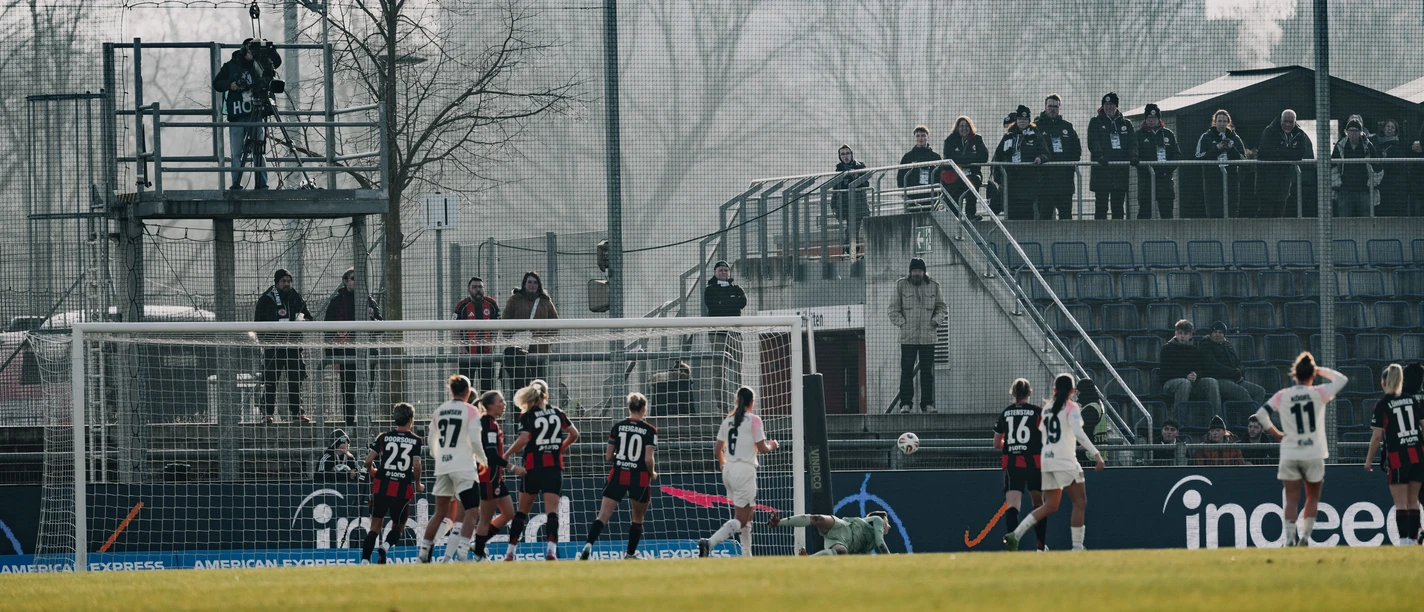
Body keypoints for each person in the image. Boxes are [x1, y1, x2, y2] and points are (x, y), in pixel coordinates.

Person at [1253, 352, 1348, 547]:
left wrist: (1275, 433)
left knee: (1290, 499)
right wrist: (1320, 370)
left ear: (1294, 375)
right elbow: (1342, 379)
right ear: (1311, 374)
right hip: (1313, 452)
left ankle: (1289, 538)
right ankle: (1305, 537)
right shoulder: (1318, 393)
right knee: (1312, 496)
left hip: (1290, 453)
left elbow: (1261, 414)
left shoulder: (1283, 395)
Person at [1004, 374, 1105, 551]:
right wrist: (1096, 454)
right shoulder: (1071, 407)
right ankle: (1077, 547)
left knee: (1050, 505)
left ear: (1054, 390)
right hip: (1066, 461)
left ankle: (1016, 534)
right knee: (1080, 502)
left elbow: (1043, 434)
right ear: (1072, 391)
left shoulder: (1047, 409)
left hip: (1048, 462)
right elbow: (1079, 433)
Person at [699, 386, 780, 558]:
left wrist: (723, 464)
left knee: (748, 513)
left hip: (729, 470)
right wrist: (772, 445)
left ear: (737, 401)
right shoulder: (754, 420)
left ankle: (746, 554)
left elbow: (717, 449)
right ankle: (709, 543)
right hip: (744, 470)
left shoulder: (727, 421)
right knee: (742, 518)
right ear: (751, 402)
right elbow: (762, 448)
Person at [503, 379, 579, 561]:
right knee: (552, 511)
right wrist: (562, 446)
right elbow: (575, 433)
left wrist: (506, 454)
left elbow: (523, 439)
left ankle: (510, 553)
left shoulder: (528, 415)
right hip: (553, 467)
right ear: (547, 395)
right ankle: (551, 550)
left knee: (522, 512)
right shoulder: (558, 413)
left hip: (533, 467)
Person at [417, 375, 489, 563]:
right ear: (467, 391)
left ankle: (423, 554)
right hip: (464, 466)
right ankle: (463, 554)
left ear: (451, 391)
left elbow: (431, 440)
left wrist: (439, 458)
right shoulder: (471, 410)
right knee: (472, 511)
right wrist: (483, 460)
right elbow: (475, 440)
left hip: (443, 466)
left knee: (440, 513)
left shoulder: (440, 410)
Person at [579, 392, 659, 561]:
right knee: (637, 518)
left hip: (618, 474)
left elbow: (608, 456)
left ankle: (588, 545)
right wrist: (652, 473)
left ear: (628, 407)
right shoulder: (650, 430)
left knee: (603, 515)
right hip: (639, 477)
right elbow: (647, 458)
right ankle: (630, 554)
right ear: (644, 409)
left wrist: (623, 460)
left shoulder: (618, 427)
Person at [1363, 364, 1424, 545]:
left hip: (1398, 457)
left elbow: (1376, 437)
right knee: (1413, 501)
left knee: (1400, 504)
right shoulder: (1413, 401)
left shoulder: (1382, 405)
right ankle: (1413, 539)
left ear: (1384, 382)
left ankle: (1404, 541)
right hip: (1418, 456)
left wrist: (1368, 461)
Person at [211, 38, 281, 190]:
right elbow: (217, 83)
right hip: (237, 114)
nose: (253, 54)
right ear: (244, 50)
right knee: (236, 152)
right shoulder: (230, 66)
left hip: (257, 113)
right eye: (251, 51)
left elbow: (276, 63)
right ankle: (236, 184)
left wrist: (270, 51)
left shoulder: (261, 64)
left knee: (259, 150)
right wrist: (231, 84)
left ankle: (262, 184)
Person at [360, 403, 424, 564]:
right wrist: (418, 484)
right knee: (398, 526)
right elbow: (416, 465)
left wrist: (371, 471)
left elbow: (368, 460)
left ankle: (365, 561)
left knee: (375, 526)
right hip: (402, 488)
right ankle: (385, 547)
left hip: (381, 485)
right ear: (411, 420)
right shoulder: (416, 440)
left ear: (395, 419)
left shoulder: (384, 437)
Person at [468, 390, 526, 561]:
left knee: (508, 514)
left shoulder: (492, 423)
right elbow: (490, 455)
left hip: (496, 477)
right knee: (485, 519)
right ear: (491, 406)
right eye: (500, 401)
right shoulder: (488, 424)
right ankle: (479, 554)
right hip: (488, 477)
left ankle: (478, 544)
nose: (504, 404)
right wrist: (512, 467)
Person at [323, 267, 383, 425]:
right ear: (346, 281)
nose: (358, 282)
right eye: (354, 278)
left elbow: (381, 325)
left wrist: (370, 322)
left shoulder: (369, 301)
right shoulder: (337, 303)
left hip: (367, 353)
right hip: (346, 354)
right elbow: (328, 331)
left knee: (367, 389)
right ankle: (349, 423)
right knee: (348, 390)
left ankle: (365, 421)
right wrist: (332, 357)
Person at [993, 378, 1047, 551]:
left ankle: (1012, 548)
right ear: (1029, 393)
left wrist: (1011, 446)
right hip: (1035, 464)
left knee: (1013, 505)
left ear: (1013, 393)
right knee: (1038, 504)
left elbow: (996, 444)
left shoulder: (1006, 413)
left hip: (1013, 463)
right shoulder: (1038, 412)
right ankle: (1040, 547)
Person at [887, 257, 947, 413]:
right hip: (908, 338)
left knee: (927, 372)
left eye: (919, 271)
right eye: (914, 271)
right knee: (906, 370)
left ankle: (927, 404)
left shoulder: (934, 286)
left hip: (928, 338)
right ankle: (905, 404)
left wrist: (935, 322)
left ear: (923, 272)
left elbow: (942, 308)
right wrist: (903, 324)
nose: (916, 274)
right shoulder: (901, 285)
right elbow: (893, 309)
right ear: (910, 272)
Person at [254, 268, 313, 423]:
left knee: (295, 380)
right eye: (283, 281)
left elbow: (308, 316)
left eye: (288, 281)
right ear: (277, 282)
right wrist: (266, 342)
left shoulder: (295, 297)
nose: (287, 284)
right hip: (273, 348)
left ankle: (297, 413)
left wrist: (303, 321)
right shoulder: (267, 298)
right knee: (270, 381)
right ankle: (267, 414)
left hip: (293, 347)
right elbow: (258, 323)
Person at [502, 271, 559, 391]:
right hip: (518, 351)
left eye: (535, 282)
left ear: (539, 285)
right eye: (529, 282)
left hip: (540, 350)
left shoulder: (545, 301)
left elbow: (555, 323)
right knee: (520, 385)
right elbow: (505, 320)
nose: (532, 285)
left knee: (538, 385)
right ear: (524, 284)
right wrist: (510, 338)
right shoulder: (515, 300)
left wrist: (547, 340)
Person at [992, 105, 1050, 220]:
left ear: (1029, 121)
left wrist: (1040, 158)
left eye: (1025, 120)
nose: (1022, 122)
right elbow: (998, 156)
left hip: (1028, 184)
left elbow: (1046, 153)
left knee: (1026, 213)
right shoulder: (1008, 136)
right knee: (1012, 213)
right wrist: (997, 176)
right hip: (1011, 183)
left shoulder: (1035, 136)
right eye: (1020, 120)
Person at [1253, 109, 1313, 218]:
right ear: (1281, 120)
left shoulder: (1299, 134)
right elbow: (1268, 153)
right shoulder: (1270, 131)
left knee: (1279, 216)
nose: (1287, 125)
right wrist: (1289, 153)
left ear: (1295, 122)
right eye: (1285, 121)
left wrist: (1282, 153)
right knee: (1265, 215)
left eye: (1291, 122)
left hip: (1283, 185)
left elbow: (1300, 153)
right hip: (1266, 183)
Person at [1086, 92, 1137, 220]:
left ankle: (1119, 236)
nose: (1108, 107)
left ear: (1116, 106)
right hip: (1101, 172)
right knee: (1101, 206)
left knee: (1118, 207)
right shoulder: (1095, 122)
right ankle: (1099, 234)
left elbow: (1132, 143)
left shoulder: (1126, 124)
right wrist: (1100, 156)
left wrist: (1133, 156)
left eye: (1111, 104)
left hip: (1120, 172)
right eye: (1106, 104)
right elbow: (1093, 141)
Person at [1158, 320, 1223, 417]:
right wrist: (1185, 376)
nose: (1182, 336)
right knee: (1184, 383)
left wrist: (1196, 375)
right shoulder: (1167, 348)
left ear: (1190, 335)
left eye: (1185, 334)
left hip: (1191, 382)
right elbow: (1165, 372)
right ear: (1176, 333)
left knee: (1211, 381)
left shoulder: (1195, 350)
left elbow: (1201, 369)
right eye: (1180, 333)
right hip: (1170, 383)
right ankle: (1178, 422)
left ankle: (1217, 421)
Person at [1034, 95, 1082, 220]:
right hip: (1044, 182)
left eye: (1055, 106)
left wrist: (1069, 166)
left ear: (1059, 108)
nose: (1052, 109)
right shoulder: (1036, 127)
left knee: (1066, 217)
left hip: (1064, 182)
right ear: (1045, 107)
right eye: (1050, 106)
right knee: (1044, 217)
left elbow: (1077, 149)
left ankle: (1067, 240)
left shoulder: (1067, 127)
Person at [1196, 321, 1266, 405]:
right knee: (1242, 392)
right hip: (1219, 380)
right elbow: (1212, 366)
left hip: (1235, 379)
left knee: (1259, 391)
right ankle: (1252, 416)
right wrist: (1234, 373)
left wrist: (1240, 370)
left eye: (1220, 332)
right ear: (1211, 334)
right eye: (1215, 332)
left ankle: (1252, 415)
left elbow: (1238, 362)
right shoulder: (1205, 345)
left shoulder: (1227, 345)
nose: (1217, 334)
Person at [704, 260, 747, 395]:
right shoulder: (710, 289)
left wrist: (724, 302)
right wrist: (731, 303)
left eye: (726, 270)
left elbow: (743, 302)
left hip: (735, 333)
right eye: (720, 270)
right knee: (718, 369)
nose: (723, 272)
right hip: (717, 334)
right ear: (715, 272)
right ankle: (721, 403)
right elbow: (714, 306)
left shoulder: (737, 288)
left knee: (737, 368)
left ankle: (738, 399)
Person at [1194, 110, 1246, 218]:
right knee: (1214, 211)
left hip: (1231, 180)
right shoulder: (1206, 137)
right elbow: (1199, 157)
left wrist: (1231, 149)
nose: (1222, 124)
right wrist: (1217, 148)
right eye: (1219, 121)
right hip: (1212, 180)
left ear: (1228, 122)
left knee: (1232, 211)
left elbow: (1243, 160)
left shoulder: (1235, 138)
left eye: (1224, 121)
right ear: (1215, 122)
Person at [454, 276, 501, 394]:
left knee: (487, 389)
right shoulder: (462, 306)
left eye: (480, 287)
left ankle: (485, 411)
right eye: (474, 287)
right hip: (467, 354)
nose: (478, 289)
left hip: (486, 353)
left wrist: (493, 342)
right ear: (469, 290)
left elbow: (497, 325)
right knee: (465, 390)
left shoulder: (492, 304)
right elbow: (454, 328)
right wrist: (461, 345)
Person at [767, 511, 891, 556]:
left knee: (840, 551)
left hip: (843, 542)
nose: (889, 526)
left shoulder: (870, 546)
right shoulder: (877, 520)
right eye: (888, 522)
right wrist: (890, 559)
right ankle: (777, 522)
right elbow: (881, 544)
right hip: (843, 526)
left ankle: (808, 559)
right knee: (817, 518)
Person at [1134, 103, 1181, 219]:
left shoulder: (1168, 134)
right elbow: (1134, 154)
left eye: (1154, 118)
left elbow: (1177, 155)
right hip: (1146, 180)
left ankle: (1169, 236)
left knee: (1167, 213)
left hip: (1164, 181)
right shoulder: (1139, 135)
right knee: (1145, 212)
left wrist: (1167, 169)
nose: (1151, 121)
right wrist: (1145, 169)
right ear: (1145, 119)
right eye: (1149, 118)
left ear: (1158, 119)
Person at [941, 117, 989, 218]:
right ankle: (953, 217)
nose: (964, 128)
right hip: (955, 175)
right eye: (961, 126)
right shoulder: (950, 140)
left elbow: (983, 157)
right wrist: (970, 159)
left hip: (972, 174)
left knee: (973, 183)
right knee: (953, 194)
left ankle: (970, 214)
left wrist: (962, 159)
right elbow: (949, 157)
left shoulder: (977, 139)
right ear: (957, 127)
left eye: (966, 126)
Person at [1331, 117, 1379, 218]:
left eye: (1356, 131)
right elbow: (1333, 168)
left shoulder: (1368, 147)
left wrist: (1371, 184)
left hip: (1364, 190)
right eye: (1350, 131)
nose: (1353, 133)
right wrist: (1338, 184)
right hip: (1345, 190)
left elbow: (1377, 167)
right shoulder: (1339, 146)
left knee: (1366, 220)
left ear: (1361, 132)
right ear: (1346, 132)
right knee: (1344, 220)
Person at [897, 126, 942, 208]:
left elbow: (941, 177)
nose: (920, 138)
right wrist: (905, 195)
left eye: (923, 135)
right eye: (918, 136)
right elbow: (900, 177)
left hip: (932, 198)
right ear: (914, 138)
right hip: (913, 198)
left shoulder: (935, 157)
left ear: (928, 137)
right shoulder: (908, 157)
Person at [833, 144, 870, 242]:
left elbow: (866, 183)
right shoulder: (839, 169)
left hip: (859, 203)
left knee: (854, 228)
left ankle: (851, 249)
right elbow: (835, 187)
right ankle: (851, 250)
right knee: (851, 228)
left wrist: (857, 178)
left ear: (851, 154)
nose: (845, 156)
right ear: (840, 156)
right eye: (843, 154)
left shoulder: (860, 166)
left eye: (847, 153)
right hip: (845, 204)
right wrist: (833, 205)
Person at [1373, 119, 1409, 216]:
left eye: (1392, 127)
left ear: (1396, 131)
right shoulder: (1376, 144)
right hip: (1381, 182)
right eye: (1388, 126)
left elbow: (1400, 165)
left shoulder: (1399, 145)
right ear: (1384, 129)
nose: (1389, 129)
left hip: (1395, 183)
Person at [1076, 378, 1111, 446]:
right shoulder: (1097, 404)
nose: (1076, 394)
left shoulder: (1090, 409)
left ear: (1083, 391)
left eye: (1077, 391)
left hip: (1087, 453)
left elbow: (1084, 432)